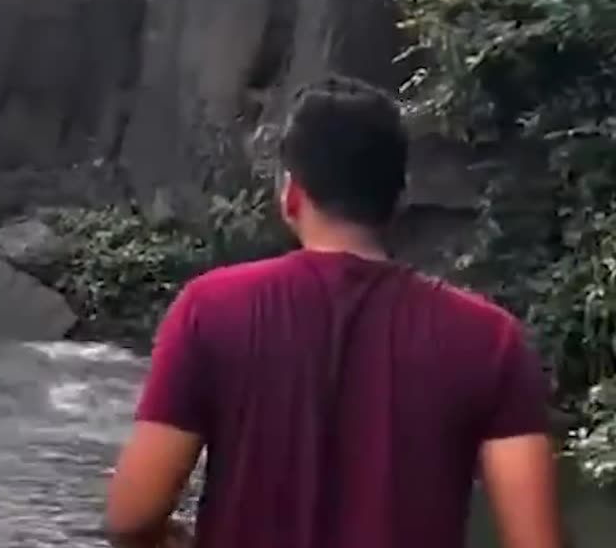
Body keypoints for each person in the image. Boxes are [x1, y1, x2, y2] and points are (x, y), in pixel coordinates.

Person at [105, 75, 564, 548]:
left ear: (292, 194)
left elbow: (132, 516)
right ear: (398, 198)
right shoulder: (492, 339)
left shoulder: (209, 308)